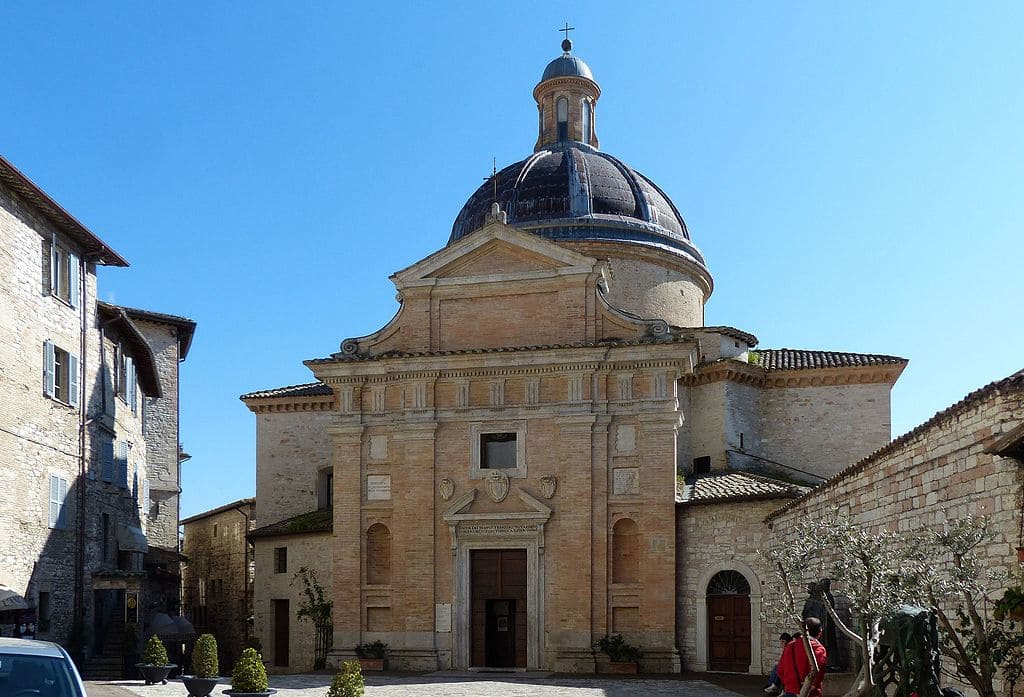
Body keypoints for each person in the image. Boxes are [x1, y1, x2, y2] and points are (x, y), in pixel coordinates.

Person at [777, 617, 828, 697]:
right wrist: (813, 685)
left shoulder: (790, 646)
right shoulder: (819, 649)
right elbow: (819, 670)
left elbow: (780, 669)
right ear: (820, 632)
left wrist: (790, 683)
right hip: (810, 692)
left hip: (791, 690)